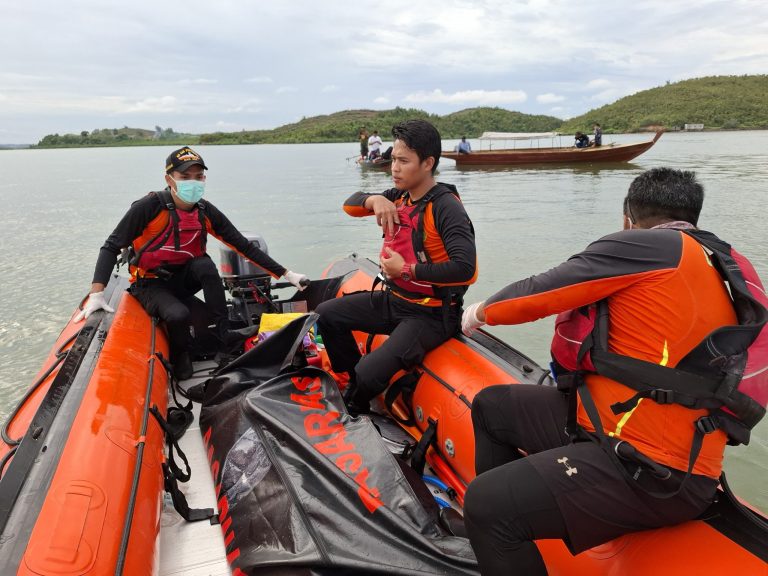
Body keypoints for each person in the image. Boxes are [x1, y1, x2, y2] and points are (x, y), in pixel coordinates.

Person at [459, 168, 767, 575]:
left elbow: (541, 290)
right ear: (694, 217)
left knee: (485, 503)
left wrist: (477, 313)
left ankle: (504, 522)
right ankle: (521, 526)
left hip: (657, 469)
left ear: (627, 217)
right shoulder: (724, 262)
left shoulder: (649, 247)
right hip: (629, 429)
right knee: (493, 406)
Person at [75, 146, 309, 380]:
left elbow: (243, 245)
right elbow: (111, 246)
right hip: (150, 283)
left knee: (205, 266)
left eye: (198, 177)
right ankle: (181, 356)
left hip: (184, 280)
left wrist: (288, 274)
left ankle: (224, 333)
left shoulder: (205, 210)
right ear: (169, 179)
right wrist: (97, 294)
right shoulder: (148, 207)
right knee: (178, 315)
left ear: (204, 178)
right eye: (184, 177)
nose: (193, 182)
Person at [316, 119, 478, 416]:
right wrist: (373, 198)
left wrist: (407, 270)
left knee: (369, 371)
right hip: (394, 299)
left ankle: (357, 401)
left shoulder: (445, 207)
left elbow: (465, 269)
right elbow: (349, 205)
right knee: (326, 315)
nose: (395, 168)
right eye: (393, 160)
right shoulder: (398, 196)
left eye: (404, 161)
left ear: (428, 163)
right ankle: (351, 383)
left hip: (432, 315)